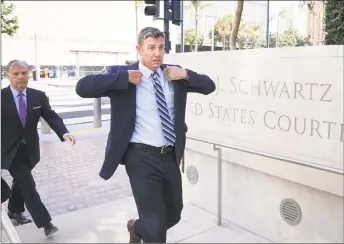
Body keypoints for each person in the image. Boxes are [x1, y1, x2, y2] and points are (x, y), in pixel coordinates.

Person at [75, 26, 216, 243]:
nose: (157, 53)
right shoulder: (123, 75)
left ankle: (136, 228)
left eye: (161, 47)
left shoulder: (174, 73)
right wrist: (123, 78)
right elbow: (82, 88)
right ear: (139, 49)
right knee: (156, 226)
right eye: (151, 48)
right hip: (140, 156)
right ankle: (146, 229)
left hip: (169, 156)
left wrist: (186, 74)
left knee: (174, 214)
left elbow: (209, 86)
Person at [1, 60, 76, 236]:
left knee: (21, 181)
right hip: (9, 151)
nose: (20, 77)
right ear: (8, 76)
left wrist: (64, 133)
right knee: (28, 184)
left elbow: (51, 116)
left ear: (29, 74)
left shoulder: (38, 96)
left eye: (24, 73)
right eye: (16, 73)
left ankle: (14, 210)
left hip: (30, 151)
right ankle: (45, 223)